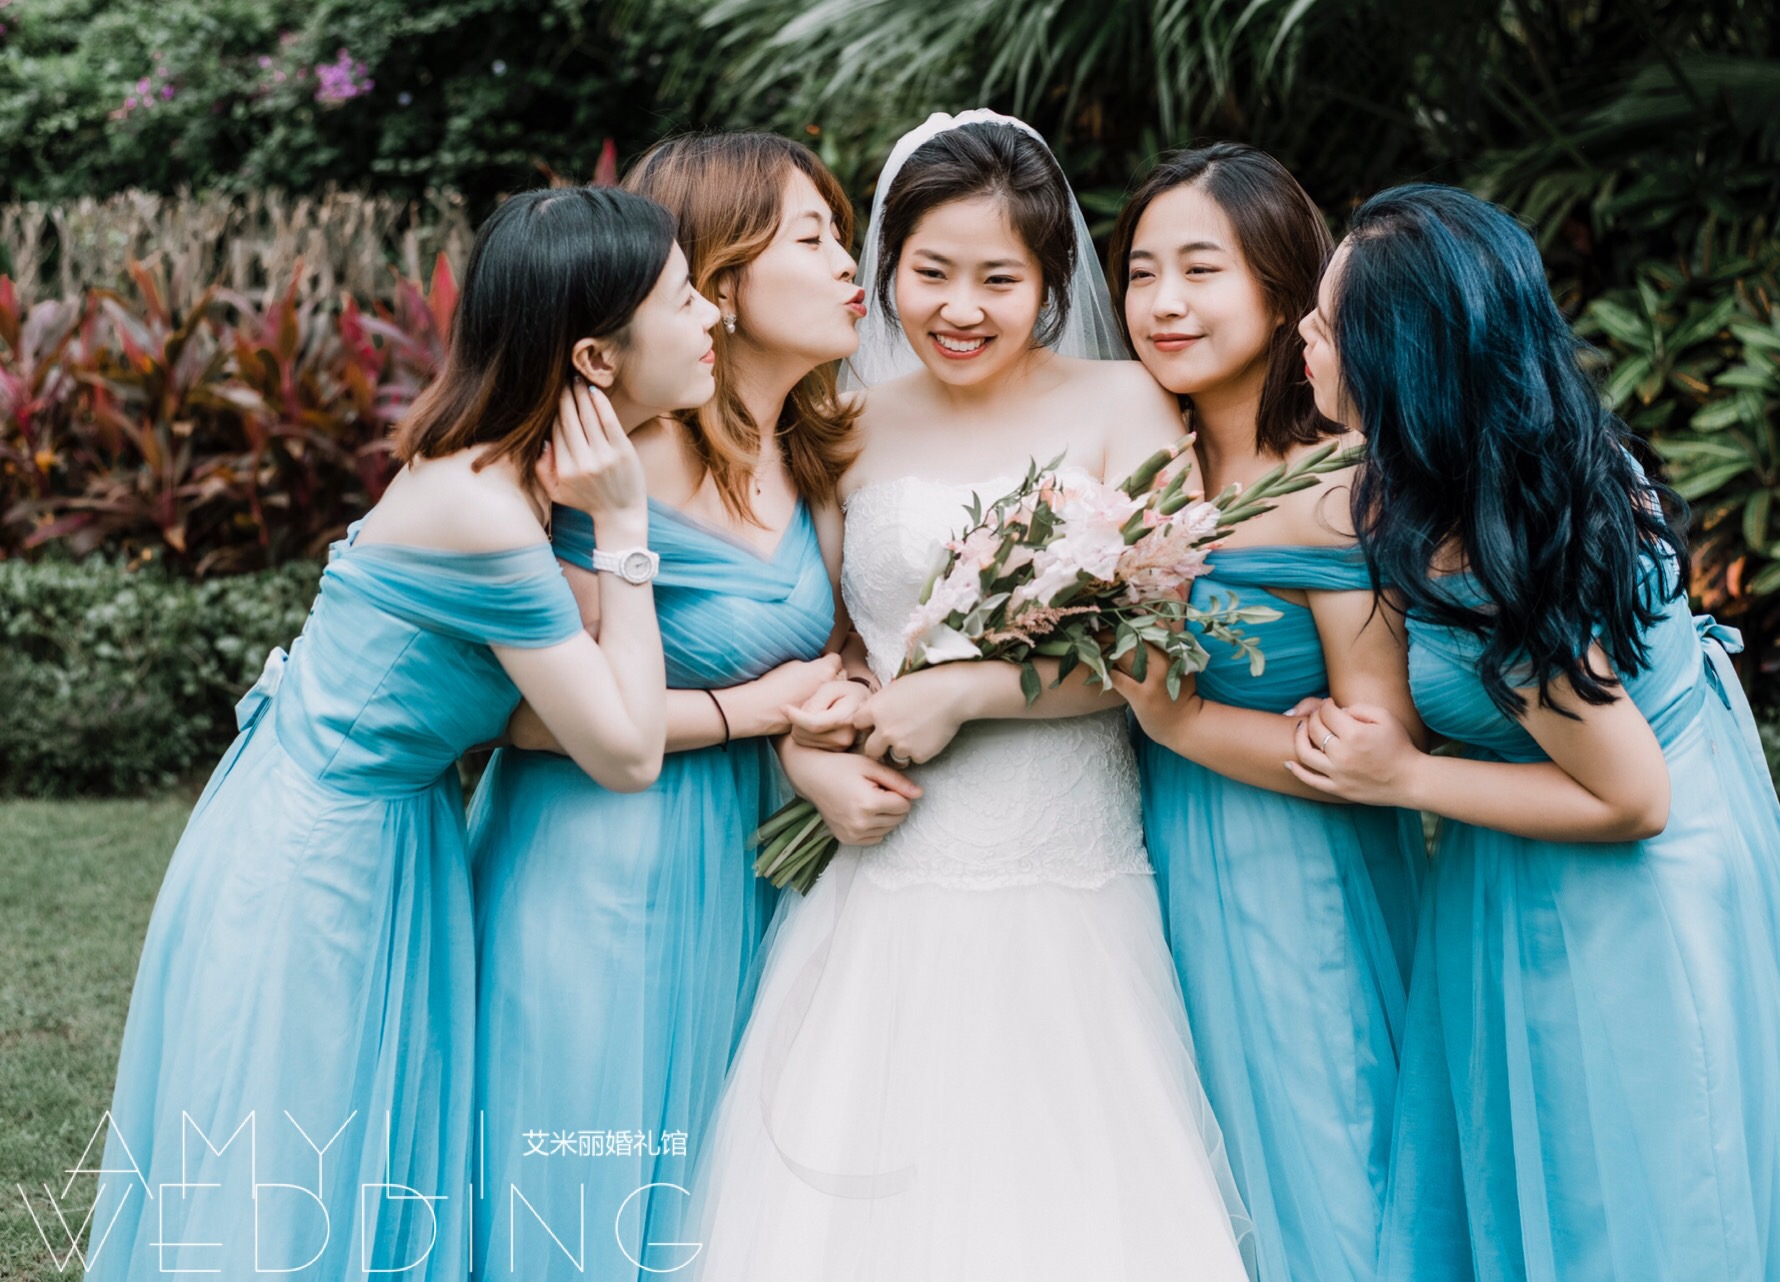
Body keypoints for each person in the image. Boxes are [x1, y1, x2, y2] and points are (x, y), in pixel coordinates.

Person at [1290, 183, 1780, 1282]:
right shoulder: (1508, 454)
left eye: (1330, 323)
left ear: (1402, 363)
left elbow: (1631, 798)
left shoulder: (1490, 547)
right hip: (1557, 863)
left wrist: (1401, 777)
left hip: (1612, 906)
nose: (1302, 331)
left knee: (1627, 1205)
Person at [85, 185, 704, 1280]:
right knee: (296, 1182)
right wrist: (625, 525)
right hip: (319, 862)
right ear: (596, 359)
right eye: (686, 298)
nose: (714, 317)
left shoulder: (505, 471)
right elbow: (625, 749)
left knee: (364, 1169)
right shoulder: (482, 507)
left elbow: (580, 680)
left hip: (388, 831)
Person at [685, 111, 1254, 1281]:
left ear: (1049, 285)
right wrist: (810, 760)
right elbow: (829, 651)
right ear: (887, 269)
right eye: (930, 272)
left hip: (1069, 861)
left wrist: (970, 691)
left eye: (999, 279)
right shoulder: (842, 424)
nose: (960, 308)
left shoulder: (1125, 405)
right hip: (890, 856)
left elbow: (1157, 657)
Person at [463, 133, 911, 1280]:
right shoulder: (616, 458)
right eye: (812, 238)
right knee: (597, 1181)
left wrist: (838, 712)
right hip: (604, 861)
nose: (850, 262)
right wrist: (759, 711)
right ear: (721, 282)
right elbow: (526, 712)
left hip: (751, 858)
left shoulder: (813, 452)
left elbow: (836, 656)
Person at [1107, 142, 1426, 1282]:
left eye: (1202, 269)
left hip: (1291, 875)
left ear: (1285, 288)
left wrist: (1177, 721)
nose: (1164, 303)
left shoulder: (1338, 482)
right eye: (1141, 273)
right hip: (1137, 858)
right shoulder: (1128, 469)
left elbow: (1381, 740)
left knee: (1315, 1152)